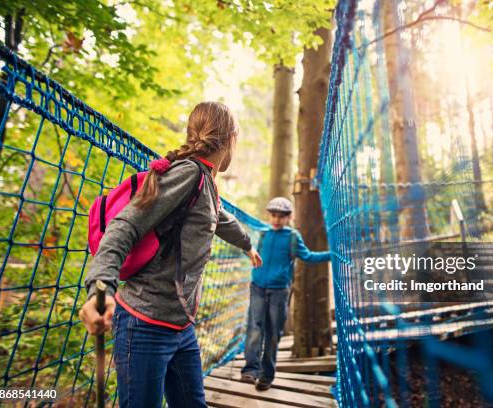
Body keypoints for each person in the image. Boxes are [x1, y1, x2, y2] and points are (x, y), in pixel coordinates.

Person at [79, 101, 262, 408]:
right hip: (144, 323)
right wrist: (100, 287)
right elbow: (124, 226)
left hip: (180, 328)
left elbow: (222, 220)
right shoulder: (188, 174)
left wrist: (247, 245)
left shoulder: (206, 184)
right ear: (230, 140)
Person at [240, 197, 331, 391]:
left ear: (289, 217)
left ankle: (266, 375)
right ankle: (250, 370)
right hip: (257, 287)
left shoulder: (292, 237)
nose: (276, 219)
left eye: (281, 216)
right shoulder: (264, 234)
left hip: (279, 291)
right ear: (269, 215)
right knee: (254, 329)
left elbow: (308, 256)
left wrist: (332, 254)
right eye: (273, 215)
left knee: (273, 332)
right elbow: (252, 252)